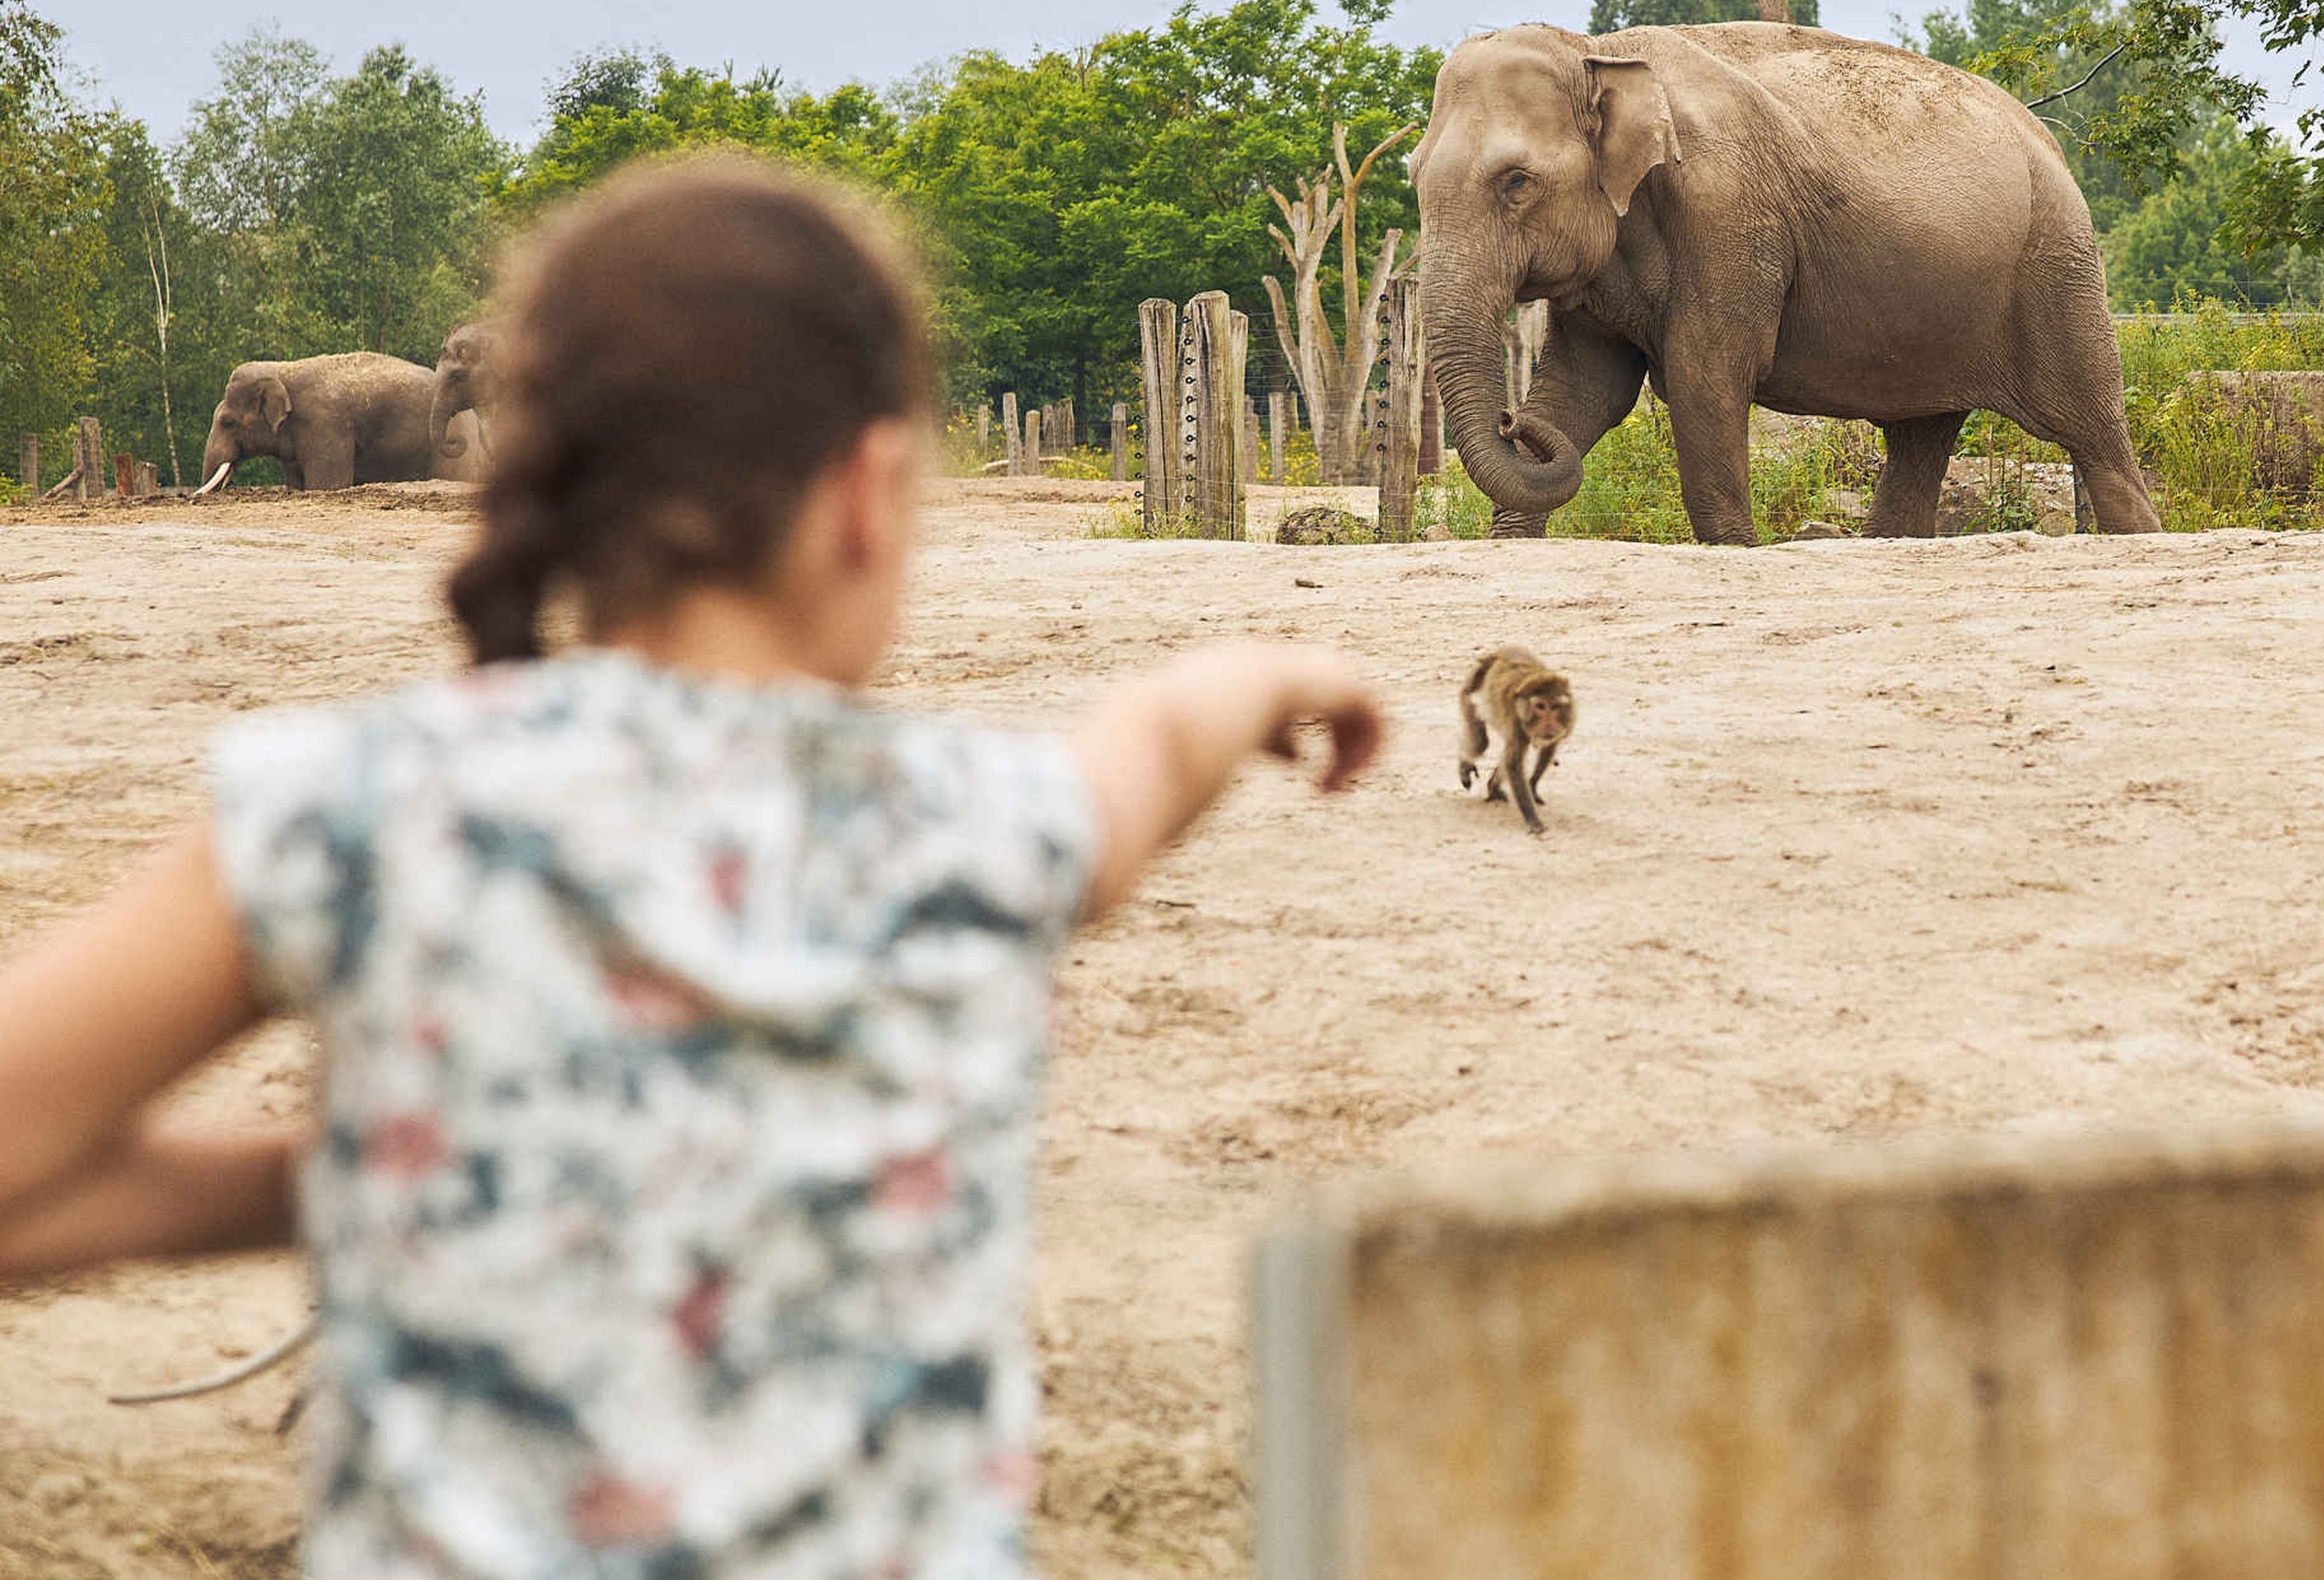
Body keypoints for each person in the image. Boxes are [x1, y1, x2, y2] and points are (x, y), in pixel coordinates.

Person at [0, 154, 1384, 1574]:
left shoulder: (355, 806)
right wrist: (1283, 667)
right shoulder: (977, 823)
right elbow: (1153, 744)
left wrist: (381, 1164)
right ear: (871, 494)